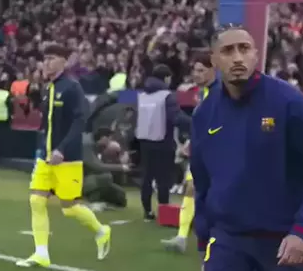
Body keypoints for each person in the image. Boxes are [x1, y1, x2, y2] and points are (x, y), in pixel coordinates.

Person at [192, 25, 303, 271]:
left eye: (244, 49)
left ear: (256, 54)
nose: (237, 57)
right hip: (228, 236)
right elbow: (202, 179)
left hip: (282, 238)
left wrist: (302, 231)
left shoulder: (290, 103)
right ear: (214, 60)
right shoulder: (205, 113)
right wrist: (204, 235)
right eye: (228, 51)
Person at [16, 44, 111, 267]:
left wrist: (62, 149)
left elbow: (80, 121)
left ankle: (101, 230)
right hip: (46, 157)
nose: (46, 63)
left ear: (64, 62)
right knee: (36, 200)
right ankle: (41, 254)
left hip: (67, 159)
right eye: (45, 58)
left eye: (52, 58)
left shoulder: (72, 87)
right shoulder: (48, 87)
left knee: (69, 208)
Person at [161, 54, 216, 252]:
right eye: (195, 70)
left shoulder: (220, 93)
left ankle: (215, 241)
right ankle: (181, 237)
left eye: (201, 70)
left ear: (213, 70)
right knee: (191, 189)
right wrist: (192, 142)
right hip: (202, 152)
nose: (196, 74)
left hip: (217, 153)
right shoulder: (202, 93)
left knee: (213, 196)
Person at [135, 63, 190, 221]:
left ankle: (147, 211)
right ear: (166, 78)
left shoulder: (142, 95)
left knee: (147, 177)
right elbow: (176, 117)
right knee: (163, 179)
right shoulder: (166, 96)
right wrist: (194, 123)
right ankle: (164, 211)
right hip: (163, 141)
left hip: (145, 140)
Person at [82, 127, 130, 210]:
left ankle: (104, 203)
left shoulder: (100, 148)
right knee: (106, 177)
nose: (110, 141)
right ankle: (92, 202)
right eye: (109, 139)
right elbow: (97, 166)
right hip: (80, 181)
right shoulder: (87, 147)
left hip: (94, 179)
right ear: (103, 138)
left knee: (120, 194)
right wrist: (121, 167)